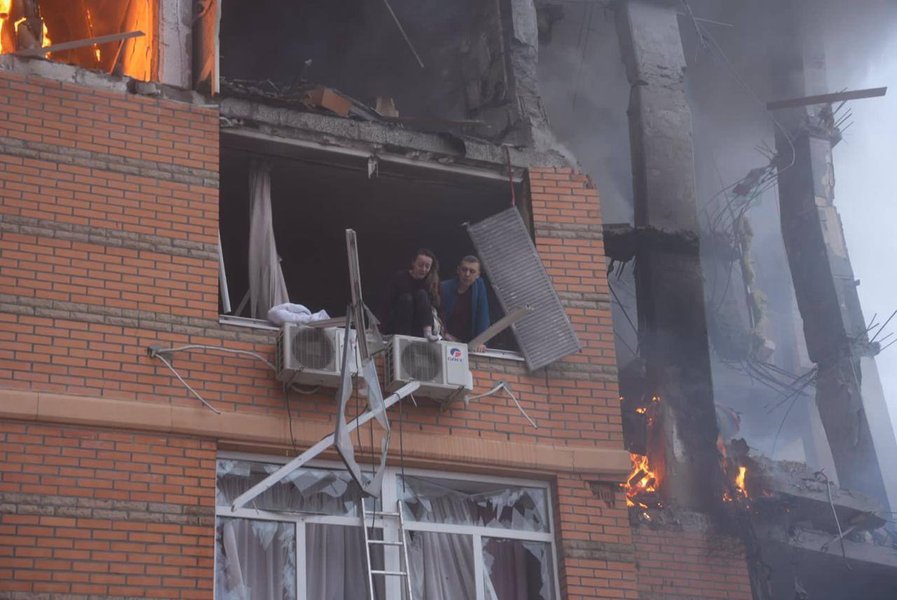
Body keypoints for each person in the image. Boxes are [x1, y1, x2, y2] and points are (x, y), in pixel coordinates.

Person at [377, 248, 442, 341]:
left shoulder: (432, 282)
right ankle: (404, 338)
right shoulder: (400, 278)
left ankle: (428, 333)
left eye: (427, 267)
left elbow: (440, 308)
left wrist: (445, 332)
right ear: (413, 263)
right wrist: (377, 328)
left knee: (422, 294)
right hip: (400, 323)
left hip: (421, 325)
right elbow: (386, 305)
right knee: (407, 299)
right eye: (420, 265)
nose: (423, 269)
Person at [440, 255, 490, 352]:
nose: (467, 274)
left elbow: (483, 315)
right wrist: (444, 333)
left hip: (467, 345)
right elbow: (438, 315)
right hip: (444, 341)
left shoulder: (479, 288)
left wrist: (481, 341)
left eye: (472, 271)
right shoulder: (444, 287)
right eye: (464, 270)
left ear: (478, 275)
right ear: (458, 270)